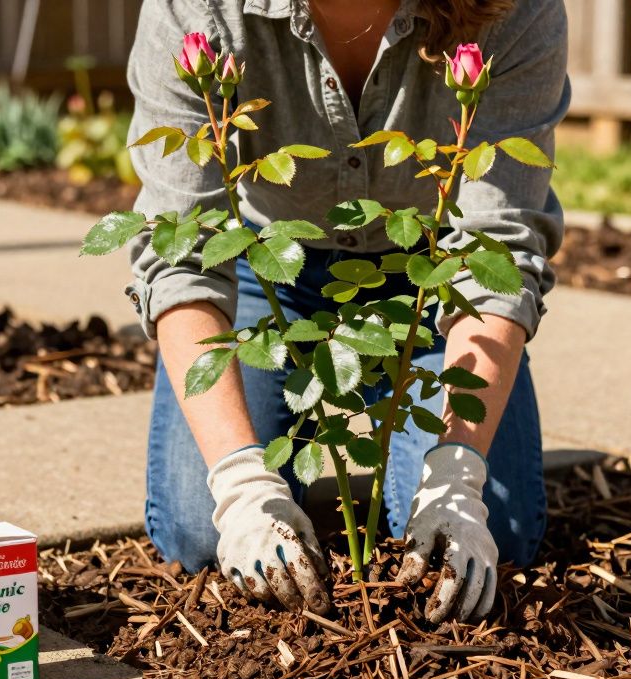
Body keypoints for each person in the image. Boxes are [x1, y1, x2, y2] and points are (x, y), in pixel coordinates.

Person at [123, 0, 569, 622]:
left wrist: (456, 476)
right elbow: (181, 254)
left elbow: (497, 251)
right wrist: (243, 484)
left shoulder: (513, 11)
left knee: (500, 537)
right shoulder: (199, 9)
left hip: (429, 279)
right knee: (202, 532)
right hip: (265, 264)